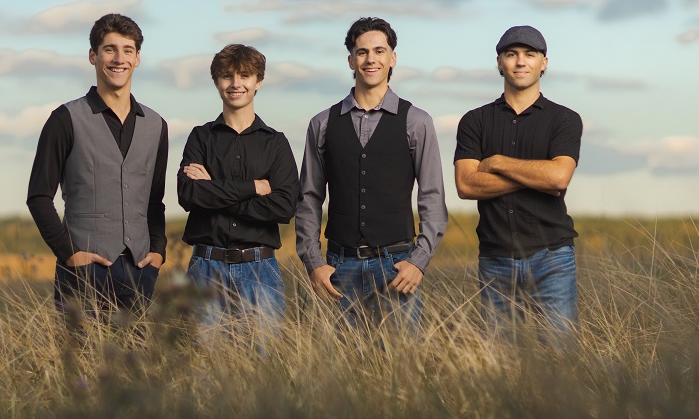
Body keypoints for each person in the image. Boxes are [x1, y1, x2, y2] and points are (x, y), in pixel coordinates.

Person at [296, 17, 448, 331]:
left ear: (393, 58)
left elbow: (432, 198)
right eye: (362, 52)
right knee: (339, 372)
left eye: (379, 50)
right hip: (338, 269)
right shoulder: (322, 124)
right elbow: (308, 199)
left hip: (396, 267)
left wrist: (418, 261)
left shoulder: (416, 121)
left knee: (403, 368)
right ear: (351, 59)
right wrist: (314, 264)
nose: (371, 59)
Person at [27, 13, 168, 328]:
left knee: (138, 372)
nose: (119, 59)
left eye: (128, 50)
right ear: (93, 55)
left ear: (138, 58)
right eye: (110, 49)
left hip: (140, 271)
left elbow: (154, 201)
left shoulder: (157, 125)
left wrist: (158, 252)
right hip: (82, 272)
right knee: (81, 370)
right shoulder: (65, 119)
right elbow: (38, 196)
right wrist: (69, 254)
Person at [454, 25, 582, 337]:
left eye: (530, 54)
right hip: (495, 259)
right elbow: (466, 185)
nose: (520, 61)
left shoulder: (564, 119)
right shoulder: (475, 121)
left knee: (558, 360)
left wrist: (497, 163)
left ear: (544, 63)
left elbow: (559, 178)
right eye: (511, 55)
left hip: (552, 259)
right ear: (499, 63)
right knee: (501, 364)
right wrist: (537, 175)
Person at [177, 44, 298, 328]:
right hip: (205, 267)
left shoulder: (276, 143)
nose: (235, 83)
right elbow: (188, 194)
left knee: (263, 366)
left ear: (259, 82)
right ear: (217, 82)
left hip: (261, 269)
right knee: (203, 366)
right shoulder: (200, 137)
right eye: (227, 75)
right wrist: (253, 187)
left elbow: (284, 206)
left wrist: (213, 189)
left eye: (244, 75)